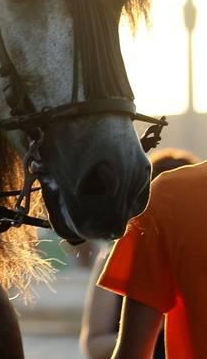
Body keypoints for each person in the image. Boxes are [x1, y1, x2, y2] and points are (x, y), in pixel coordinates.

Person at [81, 148, 199, 358]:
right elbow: (94, 344)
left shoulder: (170, 194)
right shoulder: (118, 254)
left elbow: (130, 353)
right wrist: (159, 321)